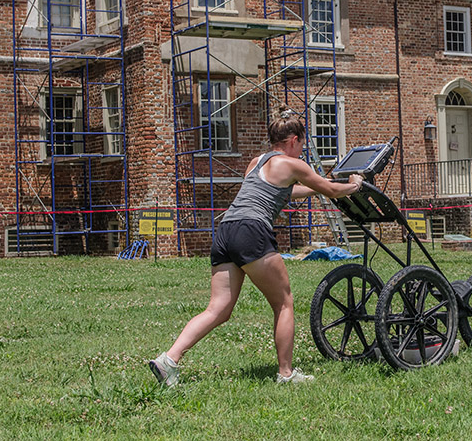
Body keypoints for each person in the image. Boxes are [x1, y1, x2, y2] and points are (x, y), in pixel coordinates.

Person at [148, 108, 364, 386]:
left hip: (226, 230)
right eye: (301, 144)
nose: (301, 149)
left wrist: (316, 187)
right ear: (294, 140)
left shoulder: (256, 162)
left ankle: (169, 360)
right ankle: (286, 374)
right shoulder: (292, 164)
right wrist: (354, 185)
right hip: (252, 230)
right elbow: (333, 191)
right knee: (284, 302)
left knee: (219, 309)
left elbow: (283, 191)